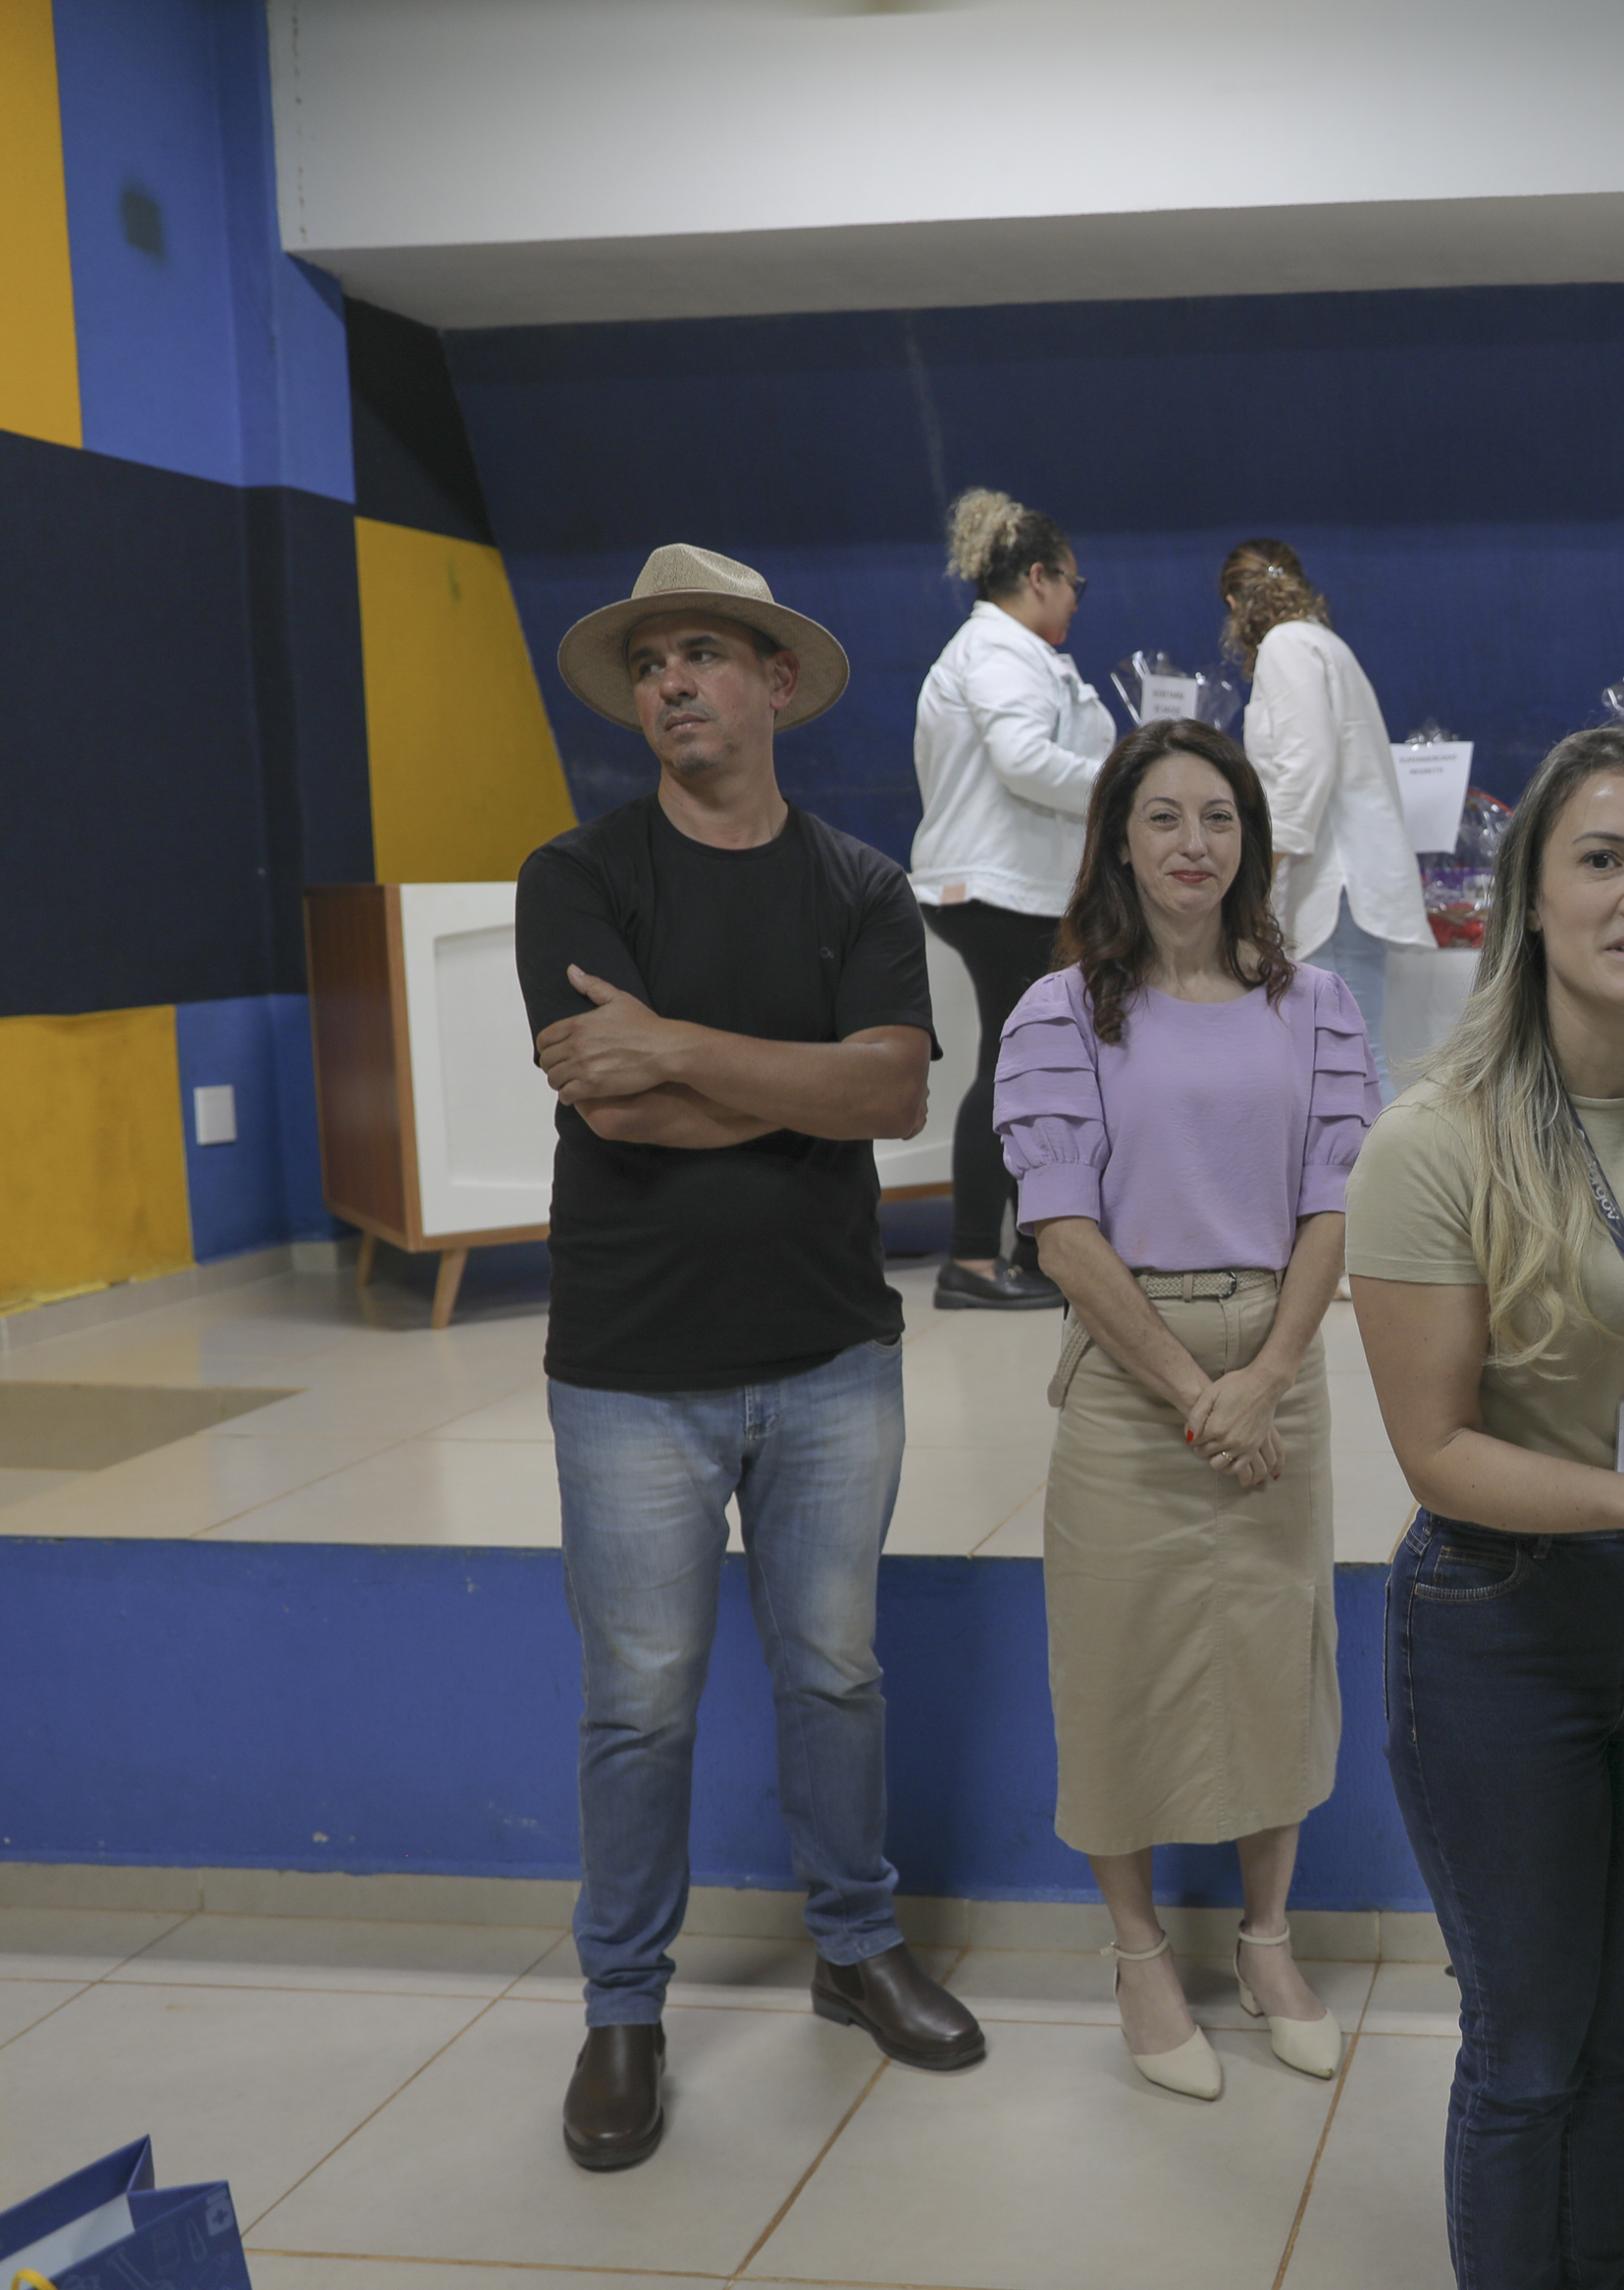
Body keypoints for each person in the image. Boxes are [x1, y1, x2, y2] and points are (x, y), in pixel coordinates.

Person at [516, 544, 984, 2173]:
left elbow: (895, 1096)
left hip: (830, 1356)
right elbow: (615, 1104)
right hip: (630, 1371)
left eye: (704, 653)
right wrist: (796, 1081)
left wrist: (680, 1045)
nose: (673, 683)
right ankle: (623, 2007)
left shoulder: (859, 886)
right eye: (652, 662)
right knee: (641, 1701)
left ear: (775, 681)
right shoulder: (576, 876)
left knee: (835, 1670)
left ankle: (855, 1944)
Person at [1346, 724, 1624, 2290]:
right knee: (1526, 2051)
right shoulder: (1433, 1139)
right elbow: (1438, 1450)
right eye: (1604, 859)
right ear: (1531, 897)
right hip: (1503, 1626)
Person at [996, 718, 1376, 2100]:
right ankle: (1140, 1953)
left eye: (1217, 817)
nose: (1192, 843)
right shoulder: (1060, 1012)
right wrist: (1193, 1390)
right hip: (1130, 1369)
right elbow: (1062, 1233)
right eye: (1161, 816)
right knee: (1117, 1659)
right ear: (1117, 839)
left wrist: (1262, 1379)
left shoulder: (1316, 1005)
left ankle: (1267, 1942)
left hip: (1276, 1354)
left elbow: (1337, 1201)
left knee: (1277, 1653)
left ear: (1251, 844)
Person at [913, 487, 1115, 1310]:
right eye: (1074, 583)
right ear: (1039, 576)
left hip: (1012, 885)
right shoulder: (998, 650)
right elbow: (1024, 758)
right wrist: (1122, 783)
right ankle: (972, 1257)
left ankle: (1037, 1252)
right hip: (997, 889)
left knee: (1036, 1067)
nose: (1076, 600)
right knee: (1014, 1067)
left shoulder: (1016, 650)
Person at [1222, 538, 1431, 1098]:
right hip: (1344, 883)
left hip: (1334, 884)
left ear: (1233, 603)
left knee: (1348, 1061)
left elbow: (1305, 766)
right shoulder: (1322, 644)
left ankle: (1381, 1163)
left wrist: (1258, 875)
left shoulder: (1286, 646)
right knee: (1349, 1057)